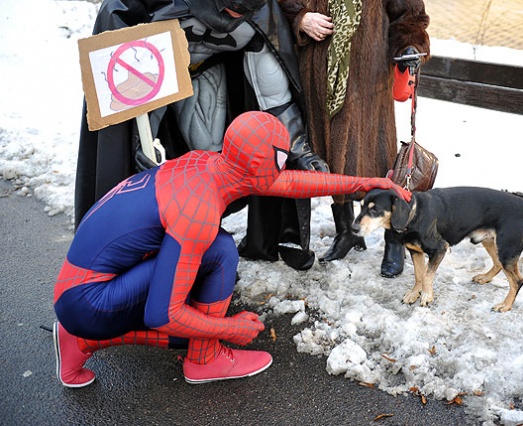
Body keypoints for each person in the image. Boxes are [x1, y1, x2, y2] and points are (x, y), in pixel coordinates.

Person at [53, 112, 411, 388]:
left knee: (213, 251)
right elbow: (163, 315)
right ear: (262, 166)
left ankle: (78, 340)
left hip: (80, 287)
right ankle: (202, 359)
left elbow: (290, 182)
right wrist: (225, 328)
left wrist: (367, 184)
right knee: (219, 253)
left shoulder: (208, 164)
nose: (286, 166)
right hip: (87, 303)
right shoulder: (198, 212)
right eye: (282, 158)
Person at [74, 0, 328, 272]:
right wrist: (135, 142)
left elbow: (275, 98)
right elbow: (119, 22)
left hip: (207, 75)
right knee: (142, 162)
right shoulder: (151, 5)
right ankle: (135, 250)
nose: (236, 15)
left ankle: (202, 245)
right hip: (152, 76)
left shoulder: (259, 16)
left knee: (207, 158)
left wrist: (300, 149)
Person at [278, 0, 431, 277]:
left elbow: (409, 14)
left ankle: (393, 240)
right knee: (332, 159)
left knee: (378, 159)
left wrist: (410, 47)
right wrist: (300, 19)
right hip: (318, 72)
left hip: (368, 75)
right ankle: (347, 231)